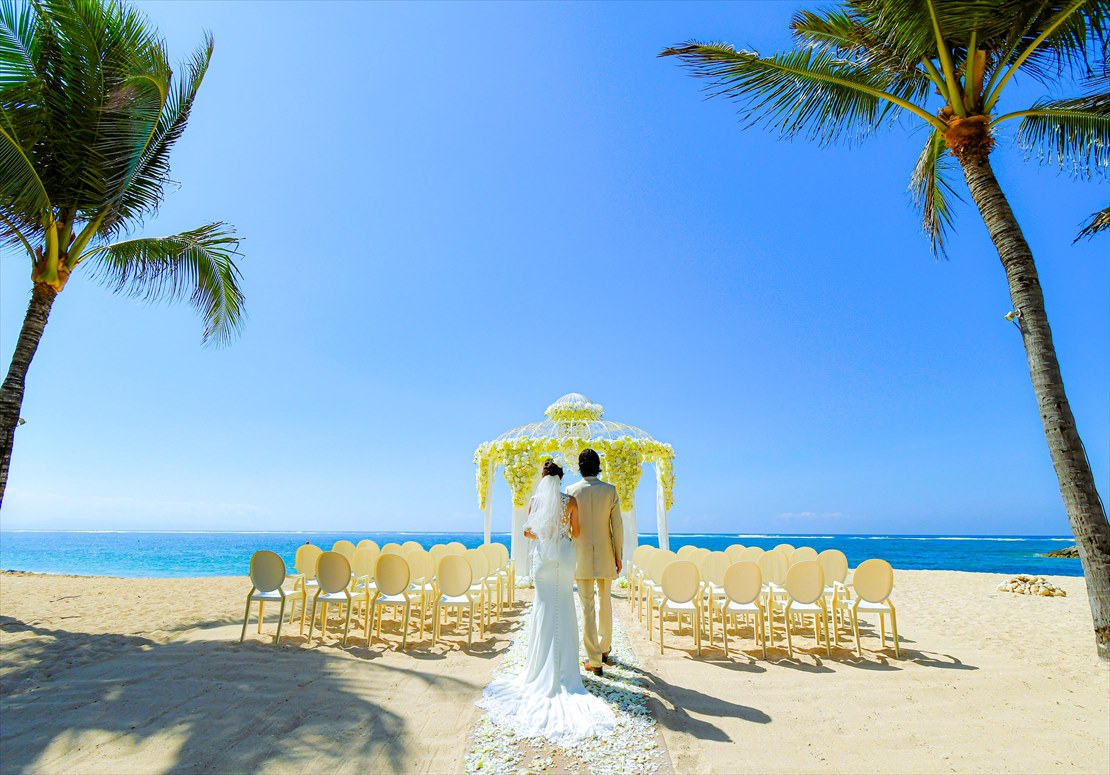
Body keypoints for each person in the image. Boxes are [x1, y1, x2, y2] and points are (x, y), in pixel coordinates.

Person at [477, 459, 615, 744]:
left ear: (543, 477)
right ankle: (566, 670)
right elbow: (576, 533)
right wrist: (562, 530)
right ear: (561, 478)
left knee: (543, 608)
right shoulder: (571, 500)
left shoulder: (535, 500)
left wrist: (546, 532)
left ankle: (539, 666)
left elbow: (528, 532)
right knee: (564, 606)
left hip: (543, 557)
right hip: (564, 557)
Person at [566, 448, 622, 676]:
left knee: (587, 607)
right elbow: (616, 527)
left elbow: (568, 527)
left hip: (580, 557)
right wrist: (618, 555)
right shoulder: (610, 491)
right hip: (606, 554)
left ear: (579, 467)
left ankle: (594, 660)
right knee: (605, 602)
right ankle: (605, 648)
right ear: (598, 466)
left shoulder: (571, 490)